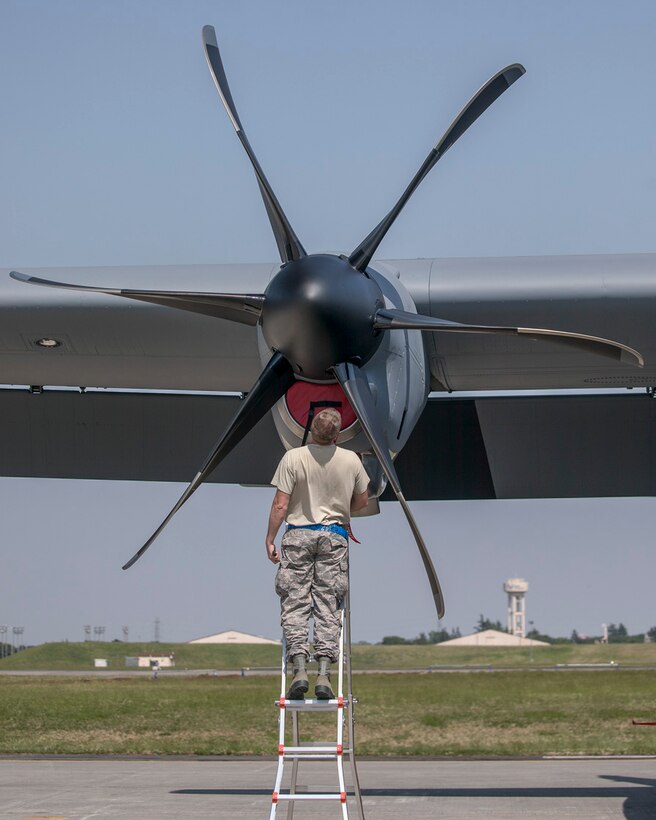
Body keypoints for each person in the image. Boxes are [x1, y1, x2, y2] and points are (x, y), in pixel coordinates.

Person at [266, 407, 369, 699]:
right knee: (328, 603)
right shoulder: (351, 461)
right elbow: (361, 501)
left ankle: (299, 666)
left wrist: (269, 540)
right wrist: (340, 508)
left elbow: (279, 505)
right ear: (338, 435)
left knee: (295, 602)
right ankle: (324, 673)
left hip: (298, 535)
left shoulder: (293, 458)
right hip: (334, 537)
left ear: (311, 429)